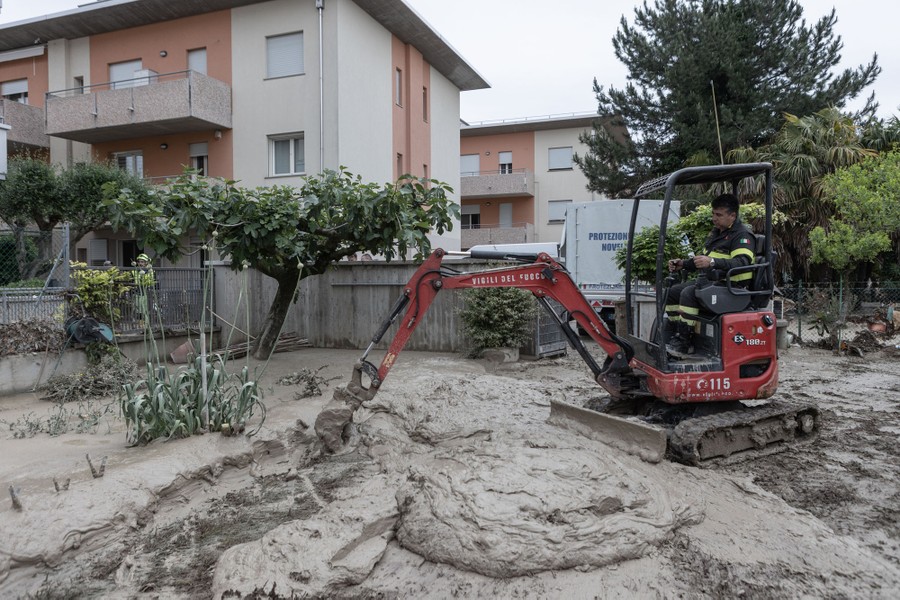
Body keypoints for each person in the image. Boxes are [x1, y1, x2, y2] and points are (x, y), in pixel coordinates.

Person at [665, 193, 755, 355]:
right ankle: (677, 333)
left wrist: (713, 262)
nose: (714, 218)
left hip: (732, 288)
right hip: (712, 283)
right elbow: (703, 261)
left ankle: (684, 343)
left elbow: (742, 263)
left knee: (688, 293)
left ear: (732, 216)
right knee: (671, 293)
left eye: (719, 215)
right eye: (713, 214)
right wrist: (683, 264)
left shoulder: (742, 236)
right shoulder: (717, 233)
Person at [133, 253, 156, 326]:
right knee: (138, 310)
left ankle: (147, 325)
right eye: (139, 262)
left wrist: (145, 273)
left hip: (146, 292)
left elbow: (150, 281)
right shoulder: (135, 270)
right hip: (138, 291)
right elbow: (135, 279)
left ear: (146, 262)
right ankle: (141, 325)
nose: (140, 263)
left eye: (142, 262)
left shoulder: (150, 271)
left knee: (145, 310)